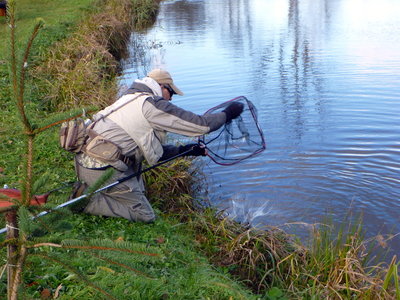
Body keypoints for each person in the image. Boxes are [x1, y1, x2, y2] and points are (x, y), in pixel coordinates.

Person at [74, 68, 243, 222]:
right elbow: (202, 125)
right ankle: (86, 201)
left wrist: (185, 150)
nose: (171, 98)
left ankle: (91, 189)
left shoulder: (127, 99)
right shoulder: (151, 104)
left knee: (141, 190)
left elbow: (154, 152)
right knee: (145, 216)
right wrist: (228, 113)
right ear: (161, 87)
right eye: (171, 93)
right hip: (101, 169)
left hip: (85, 163)